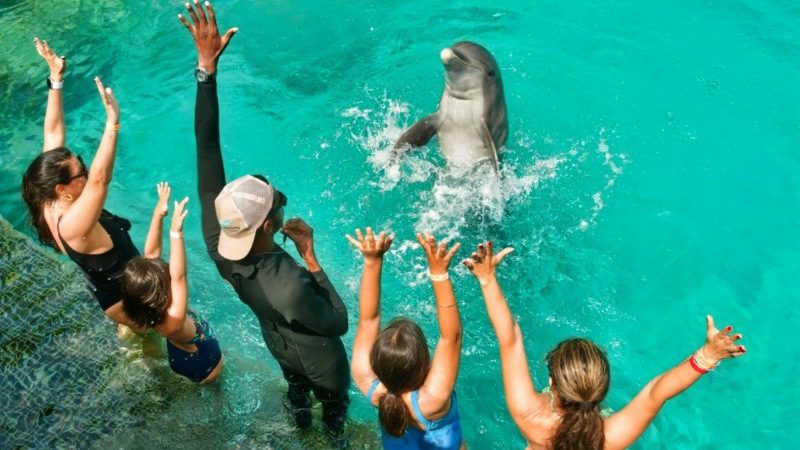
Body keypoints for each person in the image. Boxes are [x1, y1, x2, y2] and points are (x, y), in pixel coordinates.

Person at [177, 0, 350, 438]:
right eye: (276, 206)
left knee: (296, 392)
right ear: (269, 226)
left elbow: (206, 147)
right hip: (322, 362)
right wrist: (311, 257)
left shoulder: (218, 243)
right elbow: (338, 321)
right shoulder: (289, 282)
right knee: (335, 409)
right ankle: (331, 437)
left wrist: (206, 71)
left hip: (280, 347)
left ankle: (300, 425)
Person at [463, 241, 748, 450]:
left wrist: (487, 279)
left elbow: (510, 339)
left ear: (551, 382)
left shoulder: (529, 415)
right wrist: (708, 355)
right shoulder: (609, 438)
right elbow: (656, 393)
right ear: (602, 389)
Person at [21, 38, 144, 330]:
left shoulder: (47, 195)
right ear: (62, 189)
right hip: (128, 300)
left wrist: (55, 78)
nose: (87, 173)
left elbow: (53, 133)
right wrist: (112, 123)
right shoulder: (73, 225)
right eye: (81, 172)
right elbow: (101, 180)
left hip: (111, 286)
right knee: (158, 341)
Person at [348, 228, 466, 449]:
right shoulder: (431, 401)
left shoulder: (371, 387)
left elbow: (368, 320)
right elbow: (452, 337)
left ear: (376, 364)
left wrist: (372, 261)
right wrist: (438, 273)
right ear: (424, 363)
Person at [120, 184, 223, 383]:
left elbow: (151, 255)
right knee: (215, 385)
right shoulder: (174, 318)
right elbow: (179, 276)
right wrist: (176, 233)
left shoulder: (147, 311)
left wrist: (158, 214)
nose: (167, 272)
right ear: (161, 293)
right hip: (204, 363)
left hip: (178, 354)